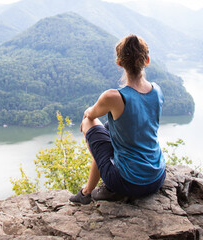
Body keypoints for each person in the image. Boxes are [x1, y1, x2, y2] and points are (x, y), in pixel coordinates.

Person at [70, 34, 166, 204]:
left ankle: (93, 191)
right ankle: (86, 192)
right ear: (147, 60)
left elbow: (90, 116)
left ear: (119, 63)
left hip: (129, 183)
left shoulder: (113, 97)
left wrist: (86, 113)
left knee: (88, 124)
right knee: (108, 128)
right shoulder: (156, 90)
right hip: (157, 177)